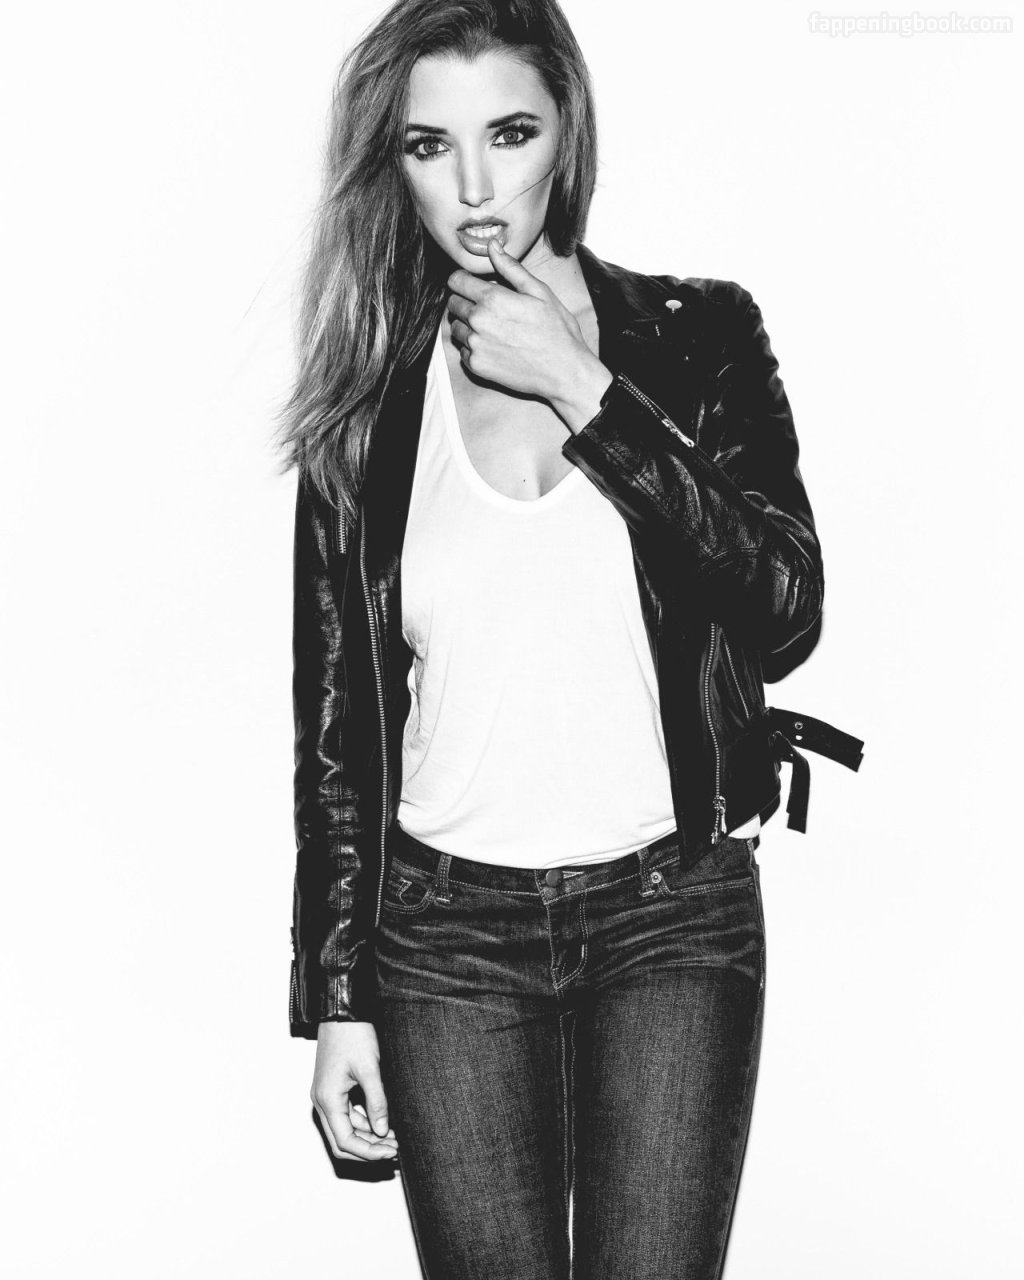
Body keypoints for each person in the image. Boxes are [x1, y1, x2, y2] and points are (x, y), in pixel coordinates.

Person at [277, 1, 864, 1276]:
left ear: (566, 132)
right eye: (429, 145)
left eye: (510, 133)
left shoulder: (698, 337)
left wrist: (582, 387)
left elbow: (784, 604)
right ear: (394, 163)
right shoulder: (370, 405)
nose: (474, 187)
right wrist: (337, 1000)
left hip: (671, 915)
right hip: (444, 937)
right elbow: (335, 732)